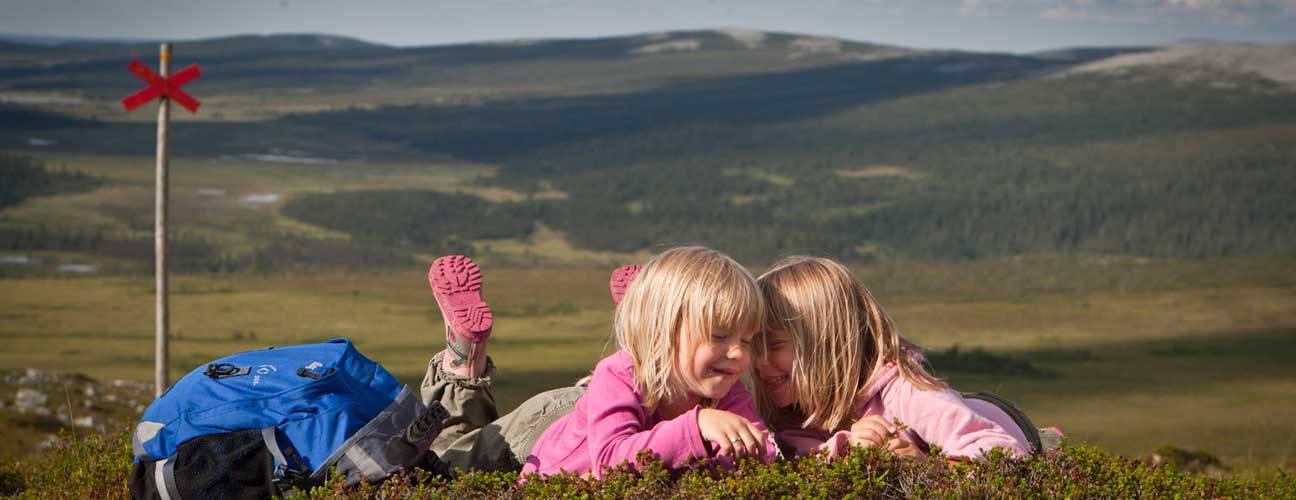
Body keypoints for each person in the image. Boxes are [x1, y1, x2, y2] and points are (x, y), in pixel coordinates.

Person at [420, 247, 778, 478]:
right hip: (545, 431)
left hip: (605, 401)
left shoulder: (724, 392)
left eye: (747, 341)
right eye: (719, 336)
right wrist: (697, 427)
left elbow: (760, 456)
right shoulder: (623, 375)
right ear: (664, 330)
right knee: (446, 463)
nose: (739, 354)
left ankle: (639, 320)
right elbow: (611, 462)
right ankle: (462, 358)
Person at [748, 256, 1059, 461]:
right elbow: (804, 461)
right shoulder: (789, 411)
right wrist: (847, 446)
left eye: (774, 344)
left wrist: (925, 467)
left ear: (827, 343)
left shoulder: (908, 393)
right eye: (752, 344)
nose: (759, 361)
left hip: (1020, 437)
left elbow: (1003, 452)